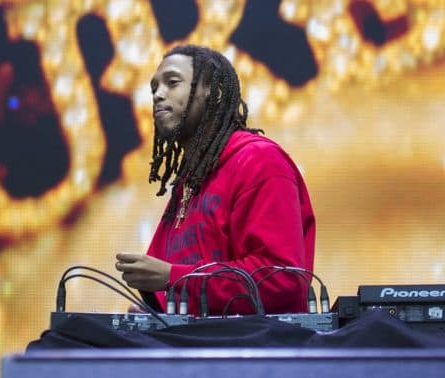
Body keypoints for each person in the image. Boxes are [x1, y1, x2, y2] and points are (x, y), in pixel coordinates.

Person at [114, 44, 316, 316]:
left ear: (213, 92)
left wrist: (175, 279)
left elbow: (282, 279)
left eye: (172, 83)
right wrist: (153, 311)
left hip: (253, 351)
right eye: (154, 88)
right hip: (194, 350)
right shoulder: (190, 183)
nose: (158, 95)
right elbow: (171, 291)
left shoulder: (260, 160)